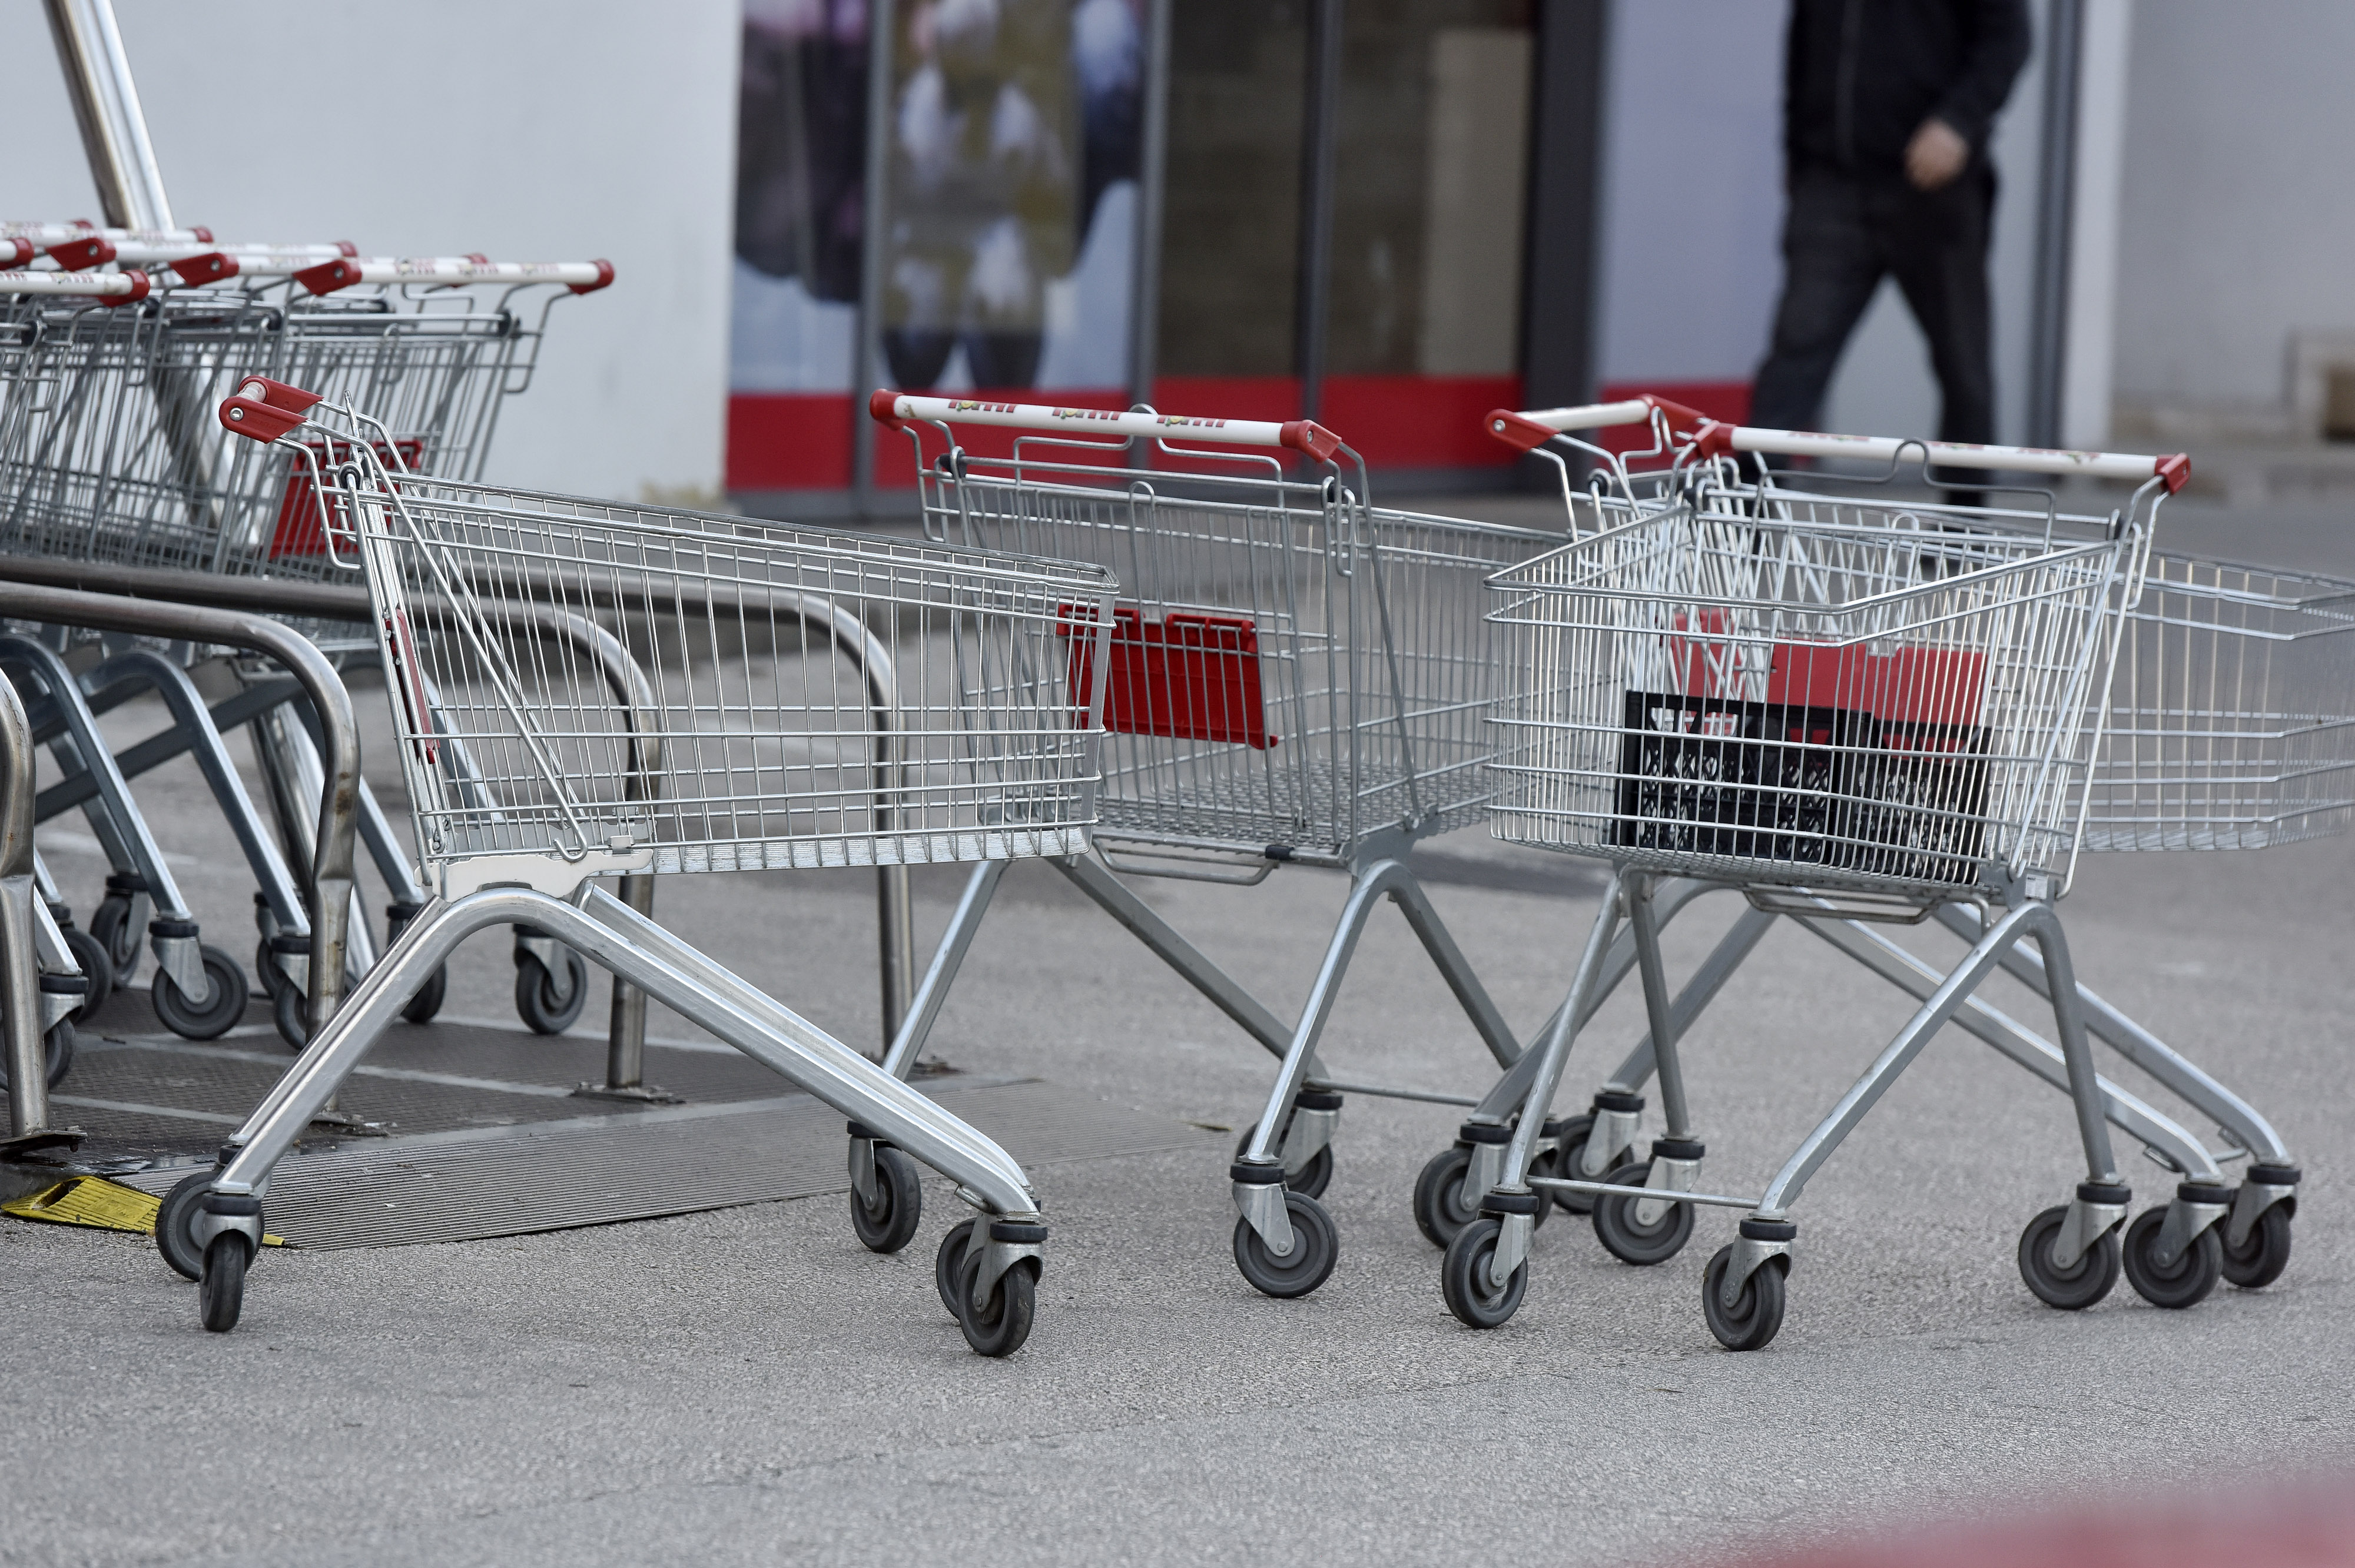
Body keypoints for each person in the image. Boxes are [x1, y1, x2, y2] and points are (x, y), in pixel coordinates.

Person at [1749, 0, 2032, 457]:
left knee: (1964, 371)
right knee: (1794, 356)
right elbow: (1803, 45)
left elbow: (2008, 41)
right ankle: (1746, 515)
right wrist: (1797, 151)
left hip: (1933, 191)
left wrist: (1957, 123)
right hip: (1833, 185)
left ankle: (1965, 521)